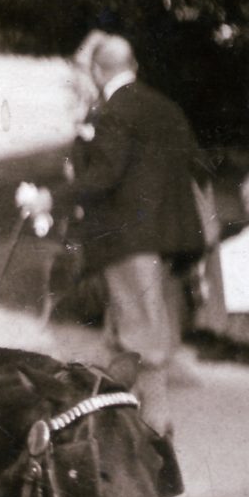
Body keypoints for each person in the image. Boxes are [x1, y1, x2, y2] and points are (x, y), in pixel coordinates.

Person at [59, 33, 208, 431]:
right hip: (168, 240)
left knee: (141, 335)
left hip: (128, 240)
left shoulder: (113, 112)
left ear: (98, 70)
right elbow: (196, 164)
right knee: (125, 331)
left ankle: (155, 428)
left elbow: (104, 176)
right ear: (134, 66)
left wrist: (50, 198)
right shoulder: (166, 107)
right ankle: (108, 420)